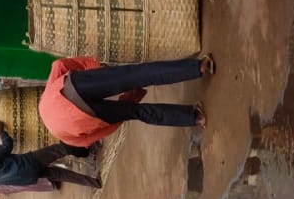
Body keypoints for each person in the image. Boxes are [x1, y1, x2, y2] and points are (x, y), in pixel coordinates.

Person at [38, 55, 214, 148]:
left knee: (139, 113)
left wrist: (122, 111)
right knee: (137, 75)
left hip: (85, 118)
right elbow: (58, 65)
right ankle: (197, 67)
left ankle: (196, 117)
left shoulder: (62, 136)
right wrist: (93, 66)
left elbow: (88, 140)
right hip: (73, 87)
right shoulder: (44, 101)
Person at [0, 120, 101, 190]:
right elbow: (7, 147)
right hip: (27, 163)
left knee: (59, 174)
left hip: (25, 178)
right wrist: (2, 131)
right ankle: (88, 148)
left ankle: (95, 183)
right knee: (60, 149)